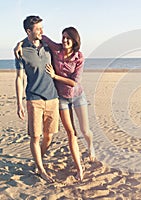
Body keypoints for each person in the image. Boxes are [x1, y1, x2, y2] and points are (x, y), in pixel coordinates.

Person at [15, 26, 95, 181]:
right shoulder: (56, 49)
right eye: (63, 37)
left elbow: (74, 82)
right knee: (71, 133)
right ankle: (79, 168)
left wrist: (54, 76)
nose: (65, 40)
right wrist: (18, 44)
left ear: (75, 40)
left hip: (77, 96)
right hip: (61, 98)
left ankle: (91, 148)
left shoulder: (79, 56)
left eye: (68, 38)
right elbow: (37, 36)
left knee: (85, 131)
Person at [15, 15, 59, 183]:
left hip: (52, 98)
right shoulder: (21, 51)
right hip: (34, 99)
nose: (42, 31)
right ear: (29, 31)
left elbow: (64, 47)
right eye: (38, 29)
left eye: (42, 27)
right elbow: (19, 78)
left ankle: (37, 159)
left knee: (48, 136)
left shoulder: (48, 46)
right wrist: (19, 103)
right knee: (35, 137)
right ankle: (41, 170)